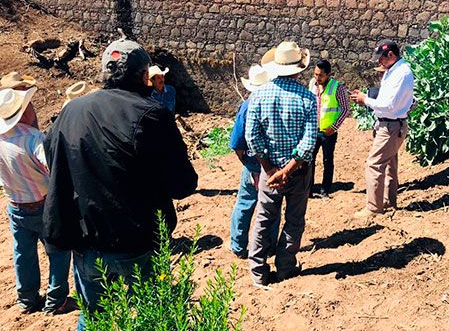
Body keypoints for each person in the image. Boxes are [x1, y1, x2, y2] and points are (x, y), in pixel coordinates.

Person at [42, 39, 198, 330]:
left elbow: (53, 159)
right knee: (154, 317)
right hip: (139, 242)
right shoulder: (152, 114)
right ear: (143, 76)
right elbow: (183, 184)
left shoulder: (71, 111)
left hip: (89, 242)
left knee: (93, 318)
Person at [245, 41, 317, 287]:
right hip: (298, 173)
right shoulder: (307, 98)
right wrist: (287, 170)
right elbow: (308, 144)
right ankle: (285, 269)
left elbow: (252, 137)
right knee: (294, 220)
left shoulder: (259, 95)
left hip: (270, 172)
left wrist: (271, 170)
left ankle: (258, 272)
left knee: (264, 219)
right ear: (299, 69)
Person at [0, 87, 72, 315]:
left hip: (15, 205)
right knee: (58, 250)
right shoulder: (33, 139)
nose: (34, 109)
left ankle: (27, 299)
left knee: (23, 252)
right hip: (42, 205)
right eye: (29, 106)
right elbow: (53, 169)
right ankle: (56, 299)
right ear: (23, 113)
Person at [350, 40, 414, 218]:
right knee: (389, 163)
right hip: (392, 124)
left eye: (381, 59)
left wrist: (365, 99)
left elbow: (388, 105)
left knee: (374, 164)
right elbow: (408, 99)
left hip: (391, 126)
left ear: (391, 55)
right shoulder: (395, 71)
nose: (379, 63)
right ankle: (388, 200)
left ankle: (373, 207)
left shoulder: (401, 73)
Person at [228, 64, 279, 259]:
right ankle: (269, 246)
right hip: (273, 165)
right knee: (271, 206)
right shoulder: (274, 101)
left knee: (244, 204)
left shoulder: (248, 106)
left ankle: (238, 245)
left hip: (253, 163)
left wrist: (247, 163)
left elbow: (237, 141)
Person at [308, 59, 350, 198]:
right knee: (309, 160)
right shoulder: (312, 85)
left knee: (327, 160)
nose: (317, 78)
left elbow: (345, 109)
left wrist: (334, 127)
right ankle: (309, 189)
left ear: (328, 75)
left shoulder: (336, 87)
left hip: (328, 132)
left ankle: (325, 190)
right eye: (315, 74)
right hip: (313, 131)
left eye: (320, 75)